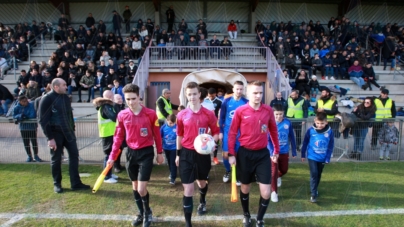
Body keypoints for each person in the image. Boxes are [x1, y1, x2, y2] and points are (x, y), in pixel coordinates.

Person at [106, 84, 163, 227]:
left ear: (139, 97)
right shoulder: (122, 115)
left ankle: (147, 212)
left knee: (141, 188)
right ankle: (142, 213)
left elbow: (157, 134)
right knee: (135, 186)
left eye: (133, 98)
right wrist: (112, 156)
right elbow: (118, 137)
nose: (131, 102)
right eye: (128, 99)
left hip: (146, 153)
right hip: (131, 153)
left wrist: (160, 153)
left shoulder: (151, 114)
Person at [228, 80, 280, 227]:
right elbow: (232, 133)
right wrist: (231, 154)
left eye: (260, 93)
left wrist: (276, 150)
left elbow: (273, 131)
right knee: (245, 188)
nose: (258, 96)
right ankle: (246, 215)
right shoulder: (240, 111)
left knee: (266, 192)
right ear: (248, 93)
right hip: (244, 154)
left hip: (263, 155)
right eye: (255, 93)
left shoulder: (268, 110)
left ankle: (260, 219)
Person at [175, 82, 220, 227]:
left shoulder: (209, 114)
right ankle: (188, 223)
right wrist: (178, 154)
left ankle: (202, 201)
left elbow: (216, 132)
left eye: (194, 94)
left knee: (201, 183)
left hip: (202, 154)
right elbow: (179, 135)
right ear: (186, 96)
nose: (192, 97)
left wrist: (212, 143)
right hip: (186, 154)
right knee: (188, 188)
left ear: (199, 94)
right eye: (189, 94)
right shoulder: (181, 115)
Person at [39, 78, 90, 193]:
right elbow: (43, 120)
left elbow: (69, 115)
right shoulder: (47, 99)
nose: (66, 87)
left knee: (74, 156)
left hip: (69, 133)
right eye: (64, 85)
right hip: (55, 134)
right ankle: (57, 184)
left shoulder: (65, 97)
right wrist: (50, 138)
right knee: (56, 159)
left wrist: (72, 128)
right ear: (56, 86)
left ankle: (76, 183)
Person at [219, 81, 248, 185]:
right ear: (233, 89)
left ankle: (238, 175)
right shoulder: (226, 101)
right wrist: (221, 131)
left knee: (239, 155)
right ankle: (228, 171)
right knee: (227, 155)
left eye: (241, 89)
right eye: (237, 89)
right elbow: (221, 118)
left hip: (241, 133)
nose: (239, 91)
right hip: (228, 132)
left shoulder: (246, 102)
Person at [301, 113, 334, 203]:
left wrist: (327, 158)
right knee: (314, 173)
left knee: (318, 174)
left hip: (322, 158)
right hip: (312, 156)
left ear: (326, 122)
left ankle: (315, 188)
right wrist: (303, 154)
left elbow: (331, 145)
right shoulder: (310, 130)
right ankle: (313, 194)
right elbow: (305, 142)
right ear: (315, 121)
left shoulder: (330, 132)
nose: (320, 125)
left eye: (322, 123)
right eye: (318, 123)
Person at [267, 104, 296, 203]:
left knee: (284, 170)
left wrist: (294, 150)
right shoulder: (268, 123)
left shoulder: (288, 122)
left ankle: (278, 176)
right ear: (273, 114)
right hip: (274, 152)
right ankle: (274, 192)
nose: (279, 116)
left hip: (284, 152)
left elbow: (291, 136)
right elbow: (267, 140)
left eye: (281, 114)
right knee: (273, 171)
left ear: (283, 114)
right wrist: (272, 152)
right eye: (276, 114)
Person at [93, 90, 119, 184]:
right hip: (107, 134)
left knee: (111, 155)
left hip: (109, 133)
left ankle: (109, 174)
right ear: (109, 96)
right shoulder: (106, 106)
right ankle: (107, 177)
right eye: (112, 95)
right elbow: (114, 117)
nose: (113, 97)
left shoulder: (105, 106)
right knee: (108, 156)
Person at [13, 95, 42, 162]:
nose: (25, 102)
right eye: (23, 101)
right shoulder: (16, 107)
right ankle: (29, 156)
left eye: (26, 101)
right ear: (20, 101)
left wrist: (24, 116)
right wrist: (20, 116)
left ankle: (36, 155)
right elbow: (14, 116)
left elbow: (33, 115)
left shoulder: (31, 105)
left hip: (32, 127)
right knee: (26, 142)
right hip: (23, 128)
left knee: (34, 142)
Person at [160, 114, 178, 185]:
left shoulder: (177, 127)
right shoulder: (163, 127)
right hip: (166, 148)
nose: (171, 124)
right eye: (170, 123)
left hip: (174, 148)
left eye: (172, 123)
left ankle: (173, 178)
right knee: (169, 162)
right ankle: (172, 173)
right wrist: (161, 147)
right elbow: (160, 137)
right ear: (167, 121)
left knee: (173, 163)